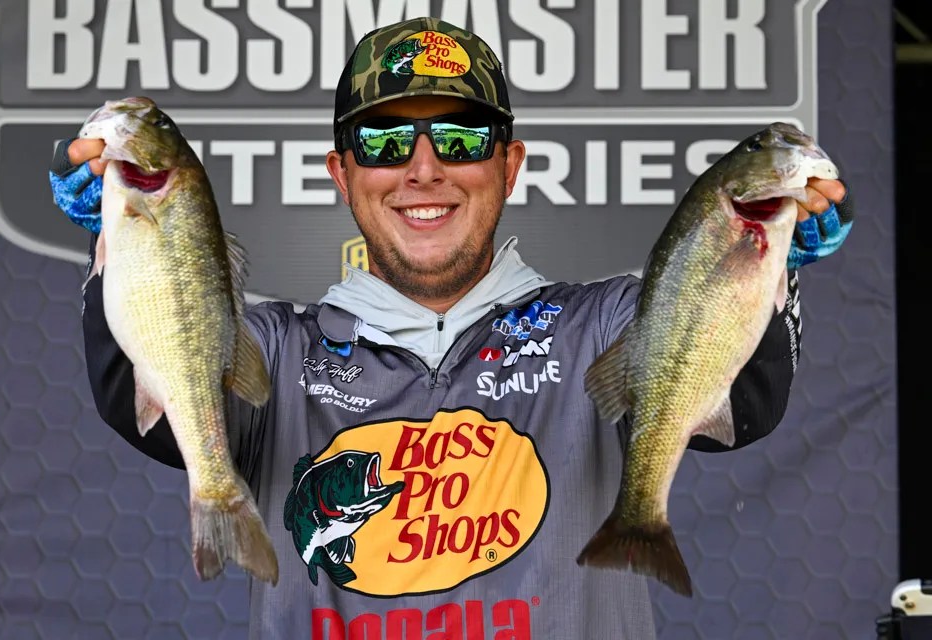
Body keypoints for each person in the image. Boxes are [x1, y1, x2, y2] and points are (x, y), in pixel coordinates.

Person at [49, 16, 852, 640]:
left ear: (509, 164)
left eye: (462, 138)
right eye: (386, 141)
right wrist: (118, 247)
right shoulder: (273, 350)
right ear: (342, 174)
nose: (424, 167)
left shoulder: (605, 324)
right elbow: (142, 400)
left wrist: (766, 268)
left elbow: (744, 404)